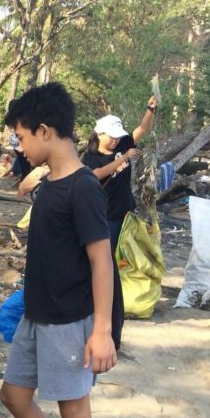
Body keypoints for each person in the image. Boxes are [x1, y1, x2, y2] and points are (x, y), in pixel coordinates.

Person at [0, 83, 117, 418]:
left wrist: (102, 330)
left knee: (74, 412)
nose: (19, 148)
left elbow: (101, 262)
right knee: (13, 394)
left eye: (23, 138)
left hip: (69, 321)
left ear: (46, 131)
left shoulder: (84, 188)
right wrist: (33, 176)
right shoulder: (51, 180)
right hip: (36, 312)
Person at [82, 96, 156, 350]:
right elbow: (93, 175)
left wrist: (150, 109)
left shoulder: (122, 143)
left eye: (118, 136)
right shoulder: (91, 157)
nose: (115, 140)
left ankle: (111, 321)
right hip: (103, 217)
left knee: (114, 265)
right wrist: (122, 159)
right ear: (99, 133)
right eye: (110, 136)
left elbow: (143, 129)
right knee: (104, 265)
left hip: (122, 215)